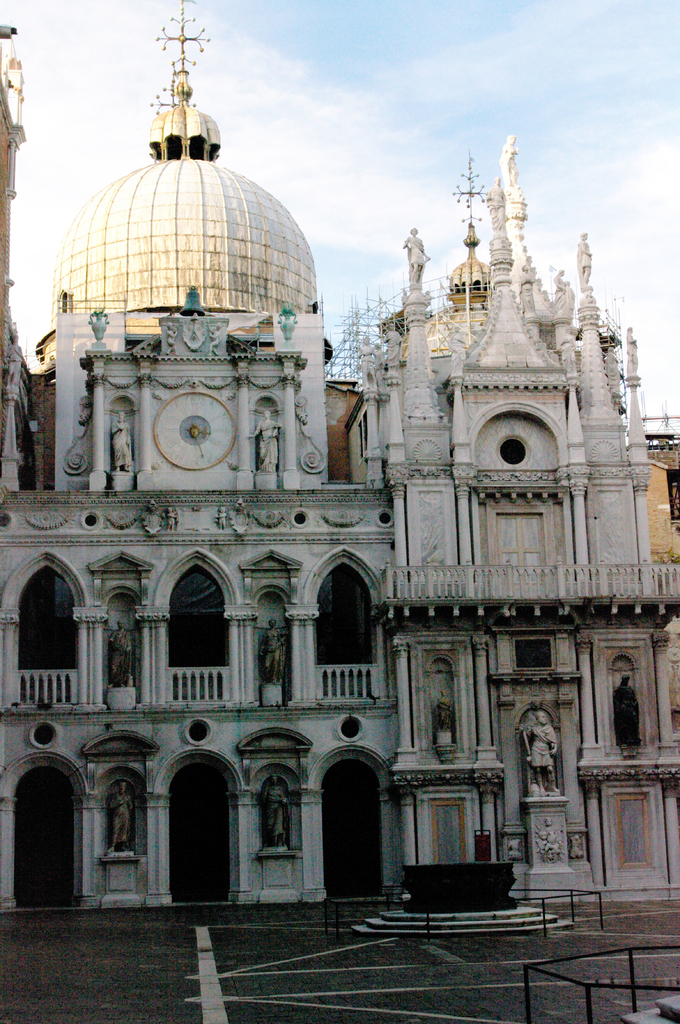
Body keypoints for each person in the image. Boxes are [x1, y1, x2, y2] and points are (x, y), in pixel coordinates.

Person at [523, 710, 559, 795]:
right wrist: (525, 731)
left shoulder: (549, 728)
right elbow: (527, 738)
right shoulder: (533, 728)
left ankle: (552, 786)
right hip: (535, 749)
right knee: (538, 769)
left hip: (546, 750)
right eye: (542, 717)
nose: (544, 718)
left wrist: (555, 748)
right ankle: (541, 787)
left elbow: (553, 741)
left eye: (544, 717)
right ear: (538, 719)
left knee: (550, 769)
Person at [262, 775, 290, 848]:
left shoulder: (280, 788)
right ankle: (270, 842)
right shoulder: (268, 788)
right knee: (270, 824)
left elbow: (284, 797)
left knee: (279, 826)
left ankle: (279, 842)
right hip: (270, 808)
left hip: (279, 809)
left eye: (275, 779)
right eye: (272, 779)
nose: (274, 781)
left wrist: (284, 800)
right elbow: (264, 798)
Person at [613, 675, 641, 746]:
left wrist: (634, 703)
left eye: (627, 680)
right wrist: (619, 708)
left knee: (634, 721)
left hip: (630, 707)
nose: (626, 681)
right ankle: (625, 738)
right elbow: (617, 700)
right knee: (625, 722)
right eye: (625, 680)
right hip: (624, 707)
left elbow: (634, 698)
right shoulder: (619, 690)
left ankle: (634, 737)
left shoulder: (630, 689)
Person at [108, 781, 134, 853]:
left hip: (125, 815)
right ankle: (112, 846)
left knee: (124, 831)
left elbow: (130, 806)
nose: (121, 788)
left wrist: (129, 805)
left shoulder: (127, 797)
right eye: (121, 786)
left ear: (125, 788)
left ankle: (123, 845)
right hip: (117, 815)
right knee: (115, 830)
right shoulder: (115, 796)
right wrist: (122, 801)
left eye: (123, 786)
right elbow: (111, 805)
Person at [261, 619, 286, 685]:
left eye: (273, 623)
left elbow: (281, 640)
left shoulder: (277, 632)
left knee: (275, 665)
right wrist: (261, 650)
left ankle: (274, 678)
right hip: (269, 650)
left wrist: (282, 639)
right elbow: (264, 642)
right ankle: (267, 679)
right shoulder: (267, 632)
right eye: (271, 623)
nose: (272, 624)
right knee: (267, 665)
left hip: (276, 649)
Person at [109, 623, 133, 688]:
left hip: (123, 653)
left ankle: (122, 682)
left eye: (122, 623)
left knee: (123, 666)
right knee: (113, 667)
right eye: (119, 623)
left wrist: (127, 649)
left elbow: (129, 643)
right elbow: (111, 641)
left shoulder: (126, 633)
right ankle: (114, 681)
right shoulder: (115, 633)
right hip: (116, 652)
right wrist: (115, 646)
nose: (121, 625)